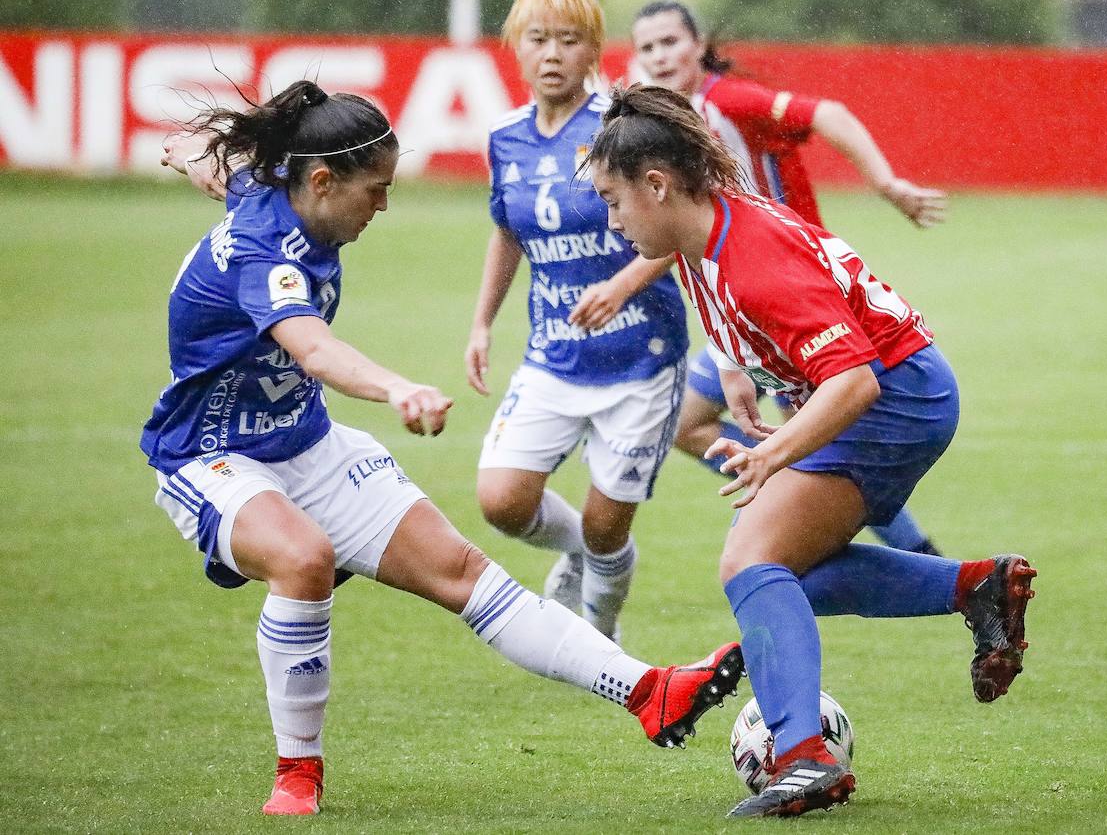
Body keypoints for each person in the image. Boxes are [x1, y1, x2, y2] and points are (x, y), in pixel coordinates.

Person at [147, 79, 742, 817]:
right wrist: (398, 389)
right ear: (325, 181)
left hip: (307, 442)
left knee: (465, 572)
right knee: (303, 558)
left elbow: (220, 165)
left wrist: (181, 148)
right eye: (377, 190)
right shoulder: (262, 251)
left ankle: (649, 692)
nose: (385, 206)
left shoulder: (274, 186)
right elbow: (315, 351)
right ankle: (297, 775)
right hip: (209, 455)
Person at [585, 84, 1037, 819]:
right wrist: (737, 373)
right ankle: (974, 587)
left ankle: (803, 757)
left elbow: (853, 381)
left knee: (752, 562)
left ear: (659, 186)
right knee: (790, 574)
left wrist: (773, 454)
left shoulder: (751, 258)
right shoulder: (702, 229)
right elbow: (732, 311)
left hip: (896, 400)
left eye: (614, 199)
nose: (612, 219)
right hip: (899, 391)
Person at [630, 0, 946, 555]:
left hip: (788, 300)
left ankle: (914, 557)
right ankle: (781, 480)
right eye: (647, 47)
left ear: (699, 44)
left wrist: (884, 182)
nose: (659, 56)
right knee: (688, 424)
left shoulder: (726, 101)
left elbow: (829, 113)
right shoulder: (670, 133)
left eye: (670, 42)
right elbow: (687, 234)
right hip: (744, 312)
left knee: (828, 453)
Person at [465, 0, 690, 639]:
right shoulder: (505, 138)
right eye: (538, 39)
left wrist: (622, 285)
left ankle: (599, 636)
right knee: (502, 501)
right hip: (554, 355)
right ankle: (576, 556)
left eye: (570, 40)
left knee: (605, 525)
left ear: (594, 49)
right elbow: (507, 232)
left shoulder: (623, 130)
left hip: (640, 357)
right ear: (516, 47)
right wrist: (482, 321)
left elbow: (684, 226)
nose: (553, 54)